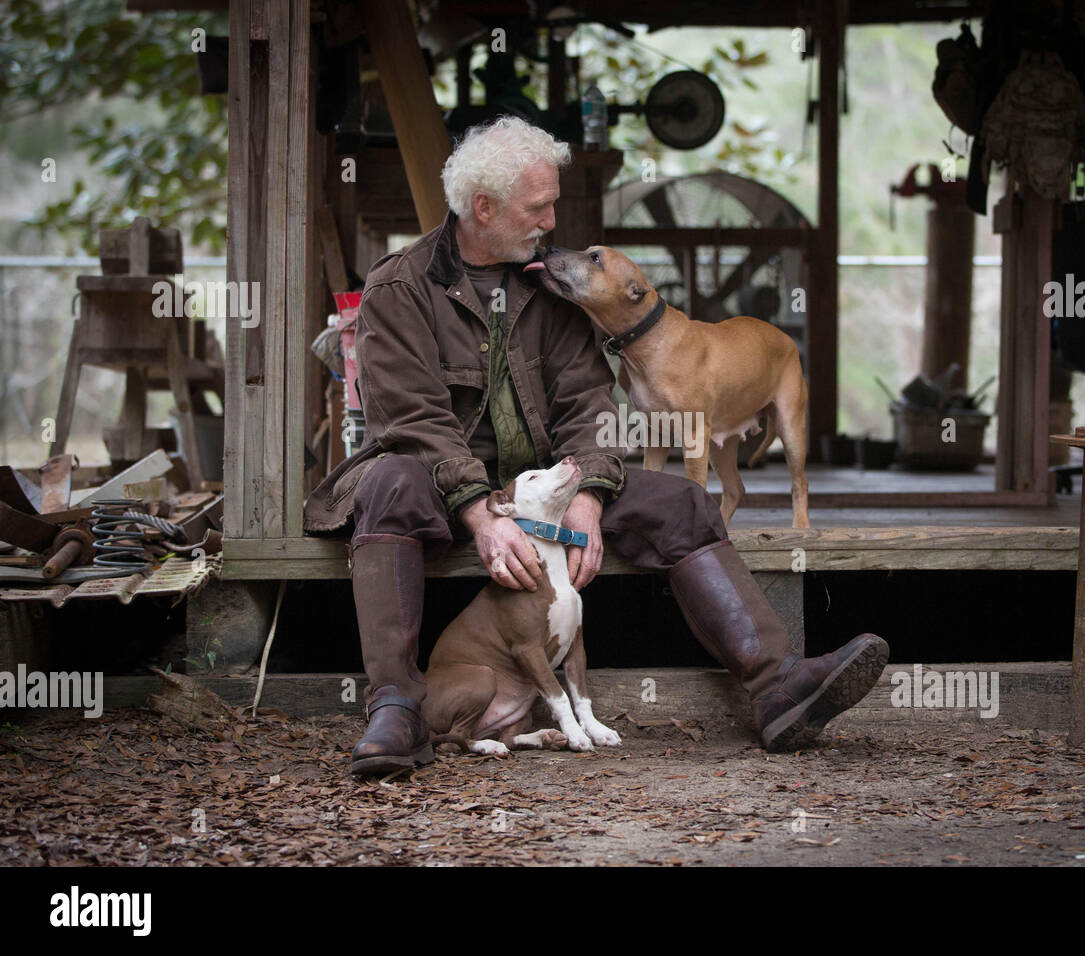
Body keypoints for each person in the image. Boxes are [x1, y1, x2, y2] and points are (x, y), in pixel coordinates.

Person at [304, 117, 889, 776]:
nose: (552, 221)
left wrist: (586, 494)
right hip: (444, 493)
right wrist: (480, 513)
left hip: (547, 492)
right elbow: (411, 420)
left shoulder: (550, 289)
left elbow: (589, 404)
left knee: (681, 501)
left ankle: (780, 685)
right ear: (484, 208)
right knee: (388, 483)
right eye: (539, 207)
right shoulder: (400, 288)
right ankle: (398, 710)